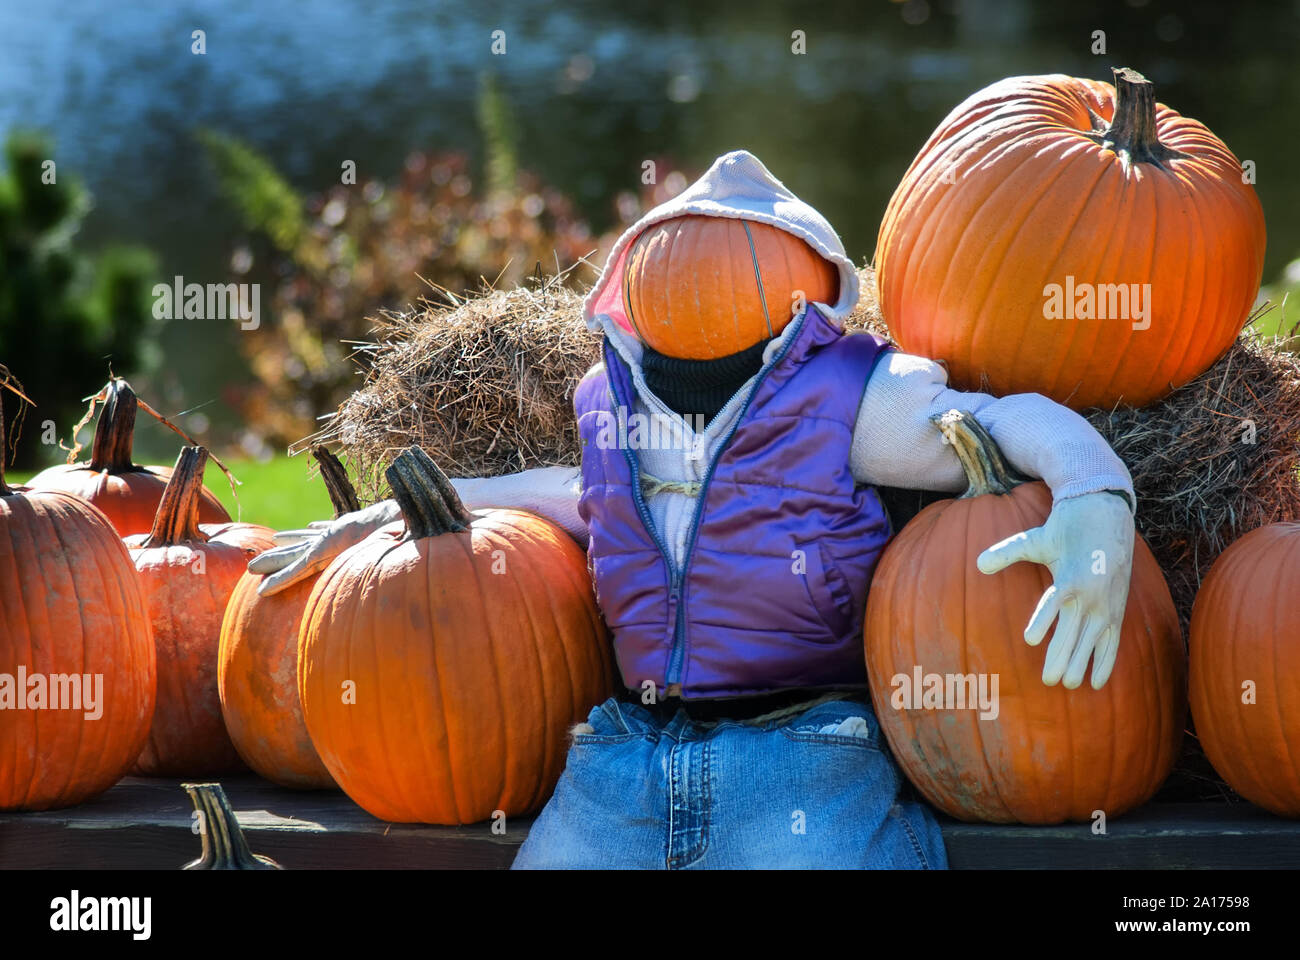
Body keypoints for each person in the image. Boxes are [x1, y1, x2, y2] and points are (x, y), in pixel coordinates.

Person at [251, 150, 1136, 869]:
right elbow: (583, 501)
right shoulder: (610, 403)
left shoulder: (855, 398)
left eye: (728, 255)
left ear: (806, 288)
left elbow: (999, 423)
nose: (697, 275)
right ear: (634, 282)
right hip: (626, 751)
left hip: (803, 743)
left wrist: (1096, 496)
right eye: (674, 253)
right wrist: (395, 517)